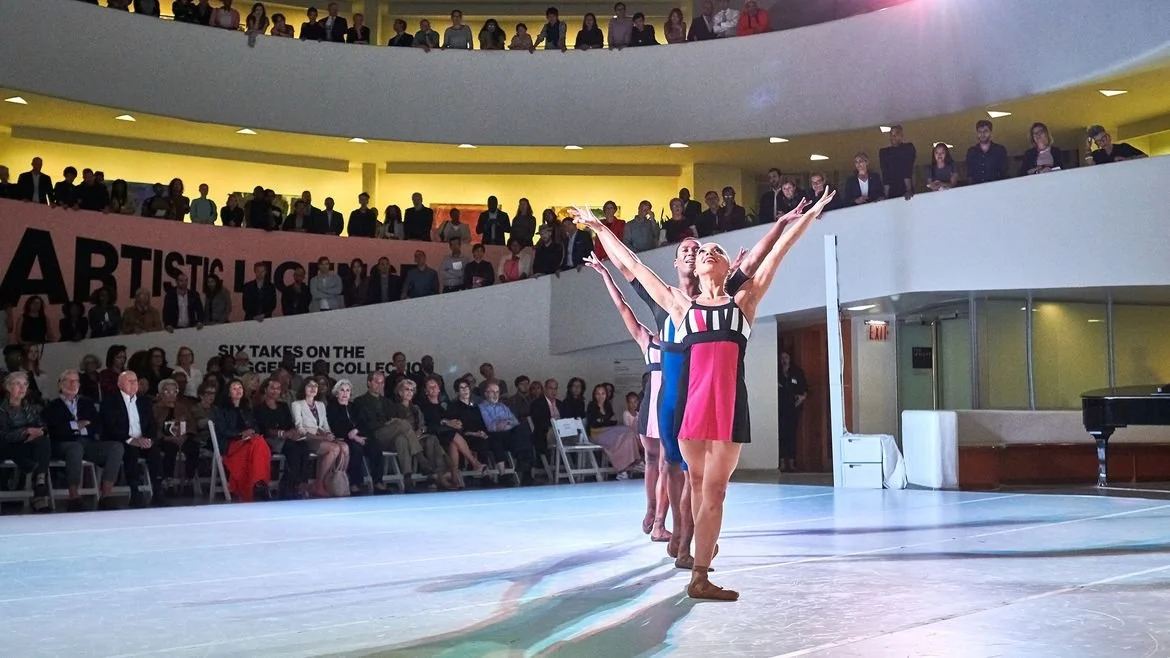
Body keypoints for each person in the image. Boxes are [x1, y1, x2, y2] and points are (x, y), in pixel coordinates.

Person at [577, 189, 834, 601]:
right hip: (692, 411)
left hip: (729, 410)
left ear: (729, 266)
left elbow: (779, 252)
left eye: (718, 250)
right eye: (703, 252)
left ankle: (700, 572)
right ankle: (698, 561)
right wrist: (598, 228)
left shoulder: (744, 302)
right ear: (695, 269)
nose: (710, 252)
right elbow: (633, 266)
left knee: (715, 492)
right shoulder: (682, 308)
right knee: (697, 489)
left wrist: (810, 215)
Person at [583, 253, 670, 541]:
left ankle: (657, 519)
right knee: (657, 462)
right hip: (655, 405)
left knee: (662, 462)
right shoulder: (649, 339)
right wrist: (605, 274)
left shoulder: (676, 341)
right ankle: (653, 514)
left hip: (665, 404)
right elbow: (622, 306)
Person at [777, 350, 807, 472]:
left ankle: (792, 462)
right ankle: (782, 462)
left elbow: (804, 391)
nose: (784, 360)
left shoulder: (797, 373)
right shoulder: (777, 372)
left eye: (786, 357)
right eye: (782, 358)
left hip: (793, 408)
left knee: (791, 435)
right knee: (781, 435)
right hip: (780, 408)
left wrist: (799, 400)